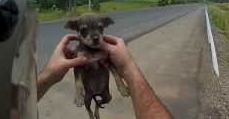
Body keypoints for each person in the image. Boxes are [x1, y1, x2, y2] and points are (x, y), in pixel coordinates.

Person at [37, 34, 173, 119]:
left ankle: (96, 108)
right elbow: (77, 70)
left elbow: (111, 65)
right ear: (78, 33)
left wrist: (121, 81)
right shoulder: (79, 52)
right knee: (86, 101)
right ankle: (91, 113)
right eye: (85, 31)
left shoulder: (103, 52)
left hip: (103, 88)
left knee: (107, 98)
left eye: (99, 29)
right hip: (89, 90)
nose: (94, 37)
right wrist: (78, 89)